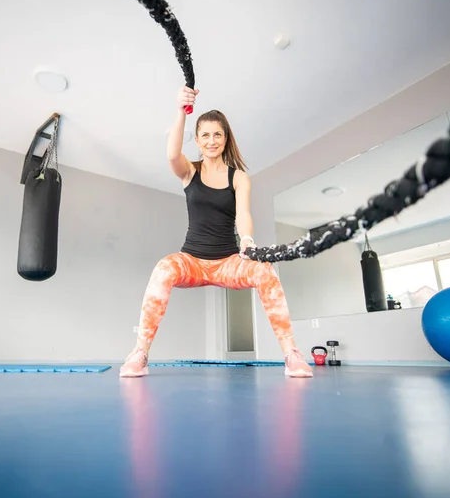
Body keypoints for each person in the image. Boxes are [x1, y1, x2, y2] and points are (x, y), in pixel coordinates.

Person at [120, 86, 313, 378]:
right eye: (205, 135)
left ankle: (291, 354)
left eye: (218, 134)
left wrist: (247, 240)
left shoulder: (239, 177)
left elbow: (244, 215)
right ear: (197, 140)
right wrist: (180, 110)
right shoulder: (189, 171)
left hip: (228, 264)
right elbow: (172, 153)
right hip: (193, 261)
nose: (212, 141)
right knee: (163, 269)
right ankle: (140, 353)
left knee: (265, 272)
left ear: (226, 139)